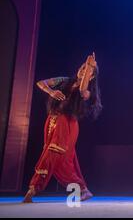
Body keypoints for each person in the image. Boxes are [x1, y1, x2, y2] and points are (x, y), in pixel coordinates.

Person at [23, 53, 102, 203]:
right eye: (82, 67)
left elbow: (81, 88)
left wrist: (91, 65)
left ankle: (34, 187)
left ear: (91, 77)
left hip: (68, 124)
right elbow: (41, 83)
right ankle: (82, 189)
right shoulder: (65, 81)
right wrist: (51, 91)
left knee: (53, 153)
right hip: (52, 120)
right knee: (61, 160)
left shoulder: (87, 91)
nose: (82, 69)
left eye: (87, 69)